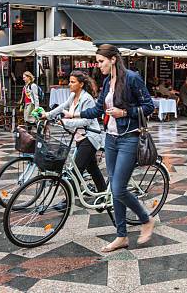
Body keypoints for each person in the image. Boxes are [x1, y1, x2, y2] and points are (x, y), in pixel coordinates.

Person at [71, 44, 155, 252]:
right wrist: (73, 115)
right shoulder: (108, 81)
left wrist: (125, 113)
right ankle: (121, 236)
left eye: (101, 62)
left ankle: (146, 219)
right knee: (114, 192)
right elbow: (99, 109)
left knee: (118, 188)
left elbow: (149, 106)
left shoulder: (132, 78)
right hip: (110, 139)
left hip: (129, 138)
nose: (98, 66)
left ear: (113, 59)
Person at [42, 70, 107, 194]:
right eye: (70, 81)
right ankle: (103, 193)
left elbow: (86, 121)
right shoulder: (73, 95)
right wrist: (48, 115)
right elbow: (63, 106)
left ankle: (68, 200)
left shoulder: (87, 99)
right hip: (79, 136)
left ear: (81, 84)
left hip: (90, 136)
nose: (69, 84)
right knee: (92, 168)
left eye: (73, 82)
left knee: (76, 170)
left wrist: (65, 122)